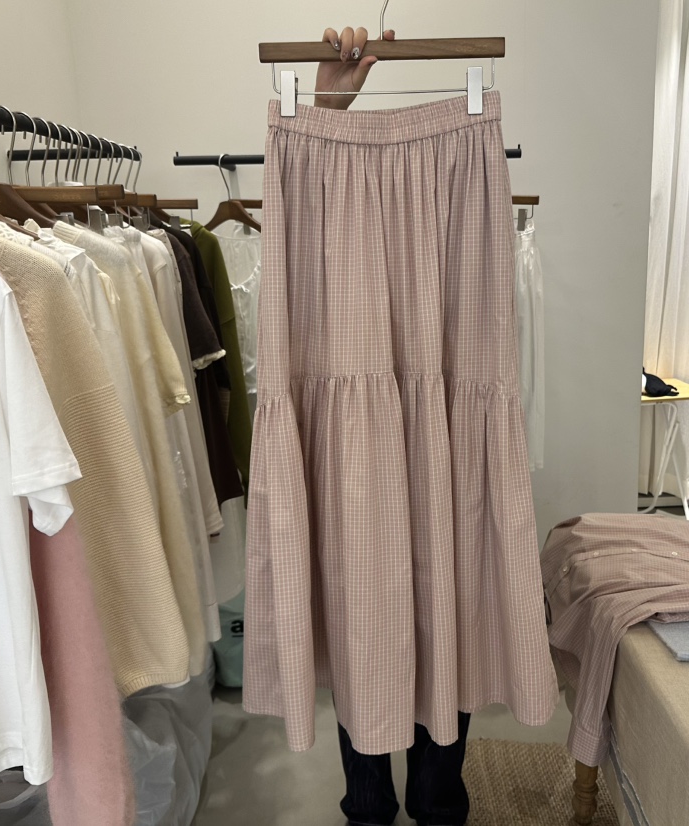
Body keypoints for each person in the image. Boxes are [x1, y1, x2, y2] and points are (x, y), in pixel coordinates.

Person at [312, 27, 472, 826]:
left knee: (447, 586)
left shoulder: (465, 180)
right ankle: (373, 802)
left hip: (444, 417)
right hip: (358, 434)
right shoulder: (319, 185)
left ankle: (435, 798)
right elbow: (304, 175)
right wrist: (326, 108)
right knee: (365, 598)